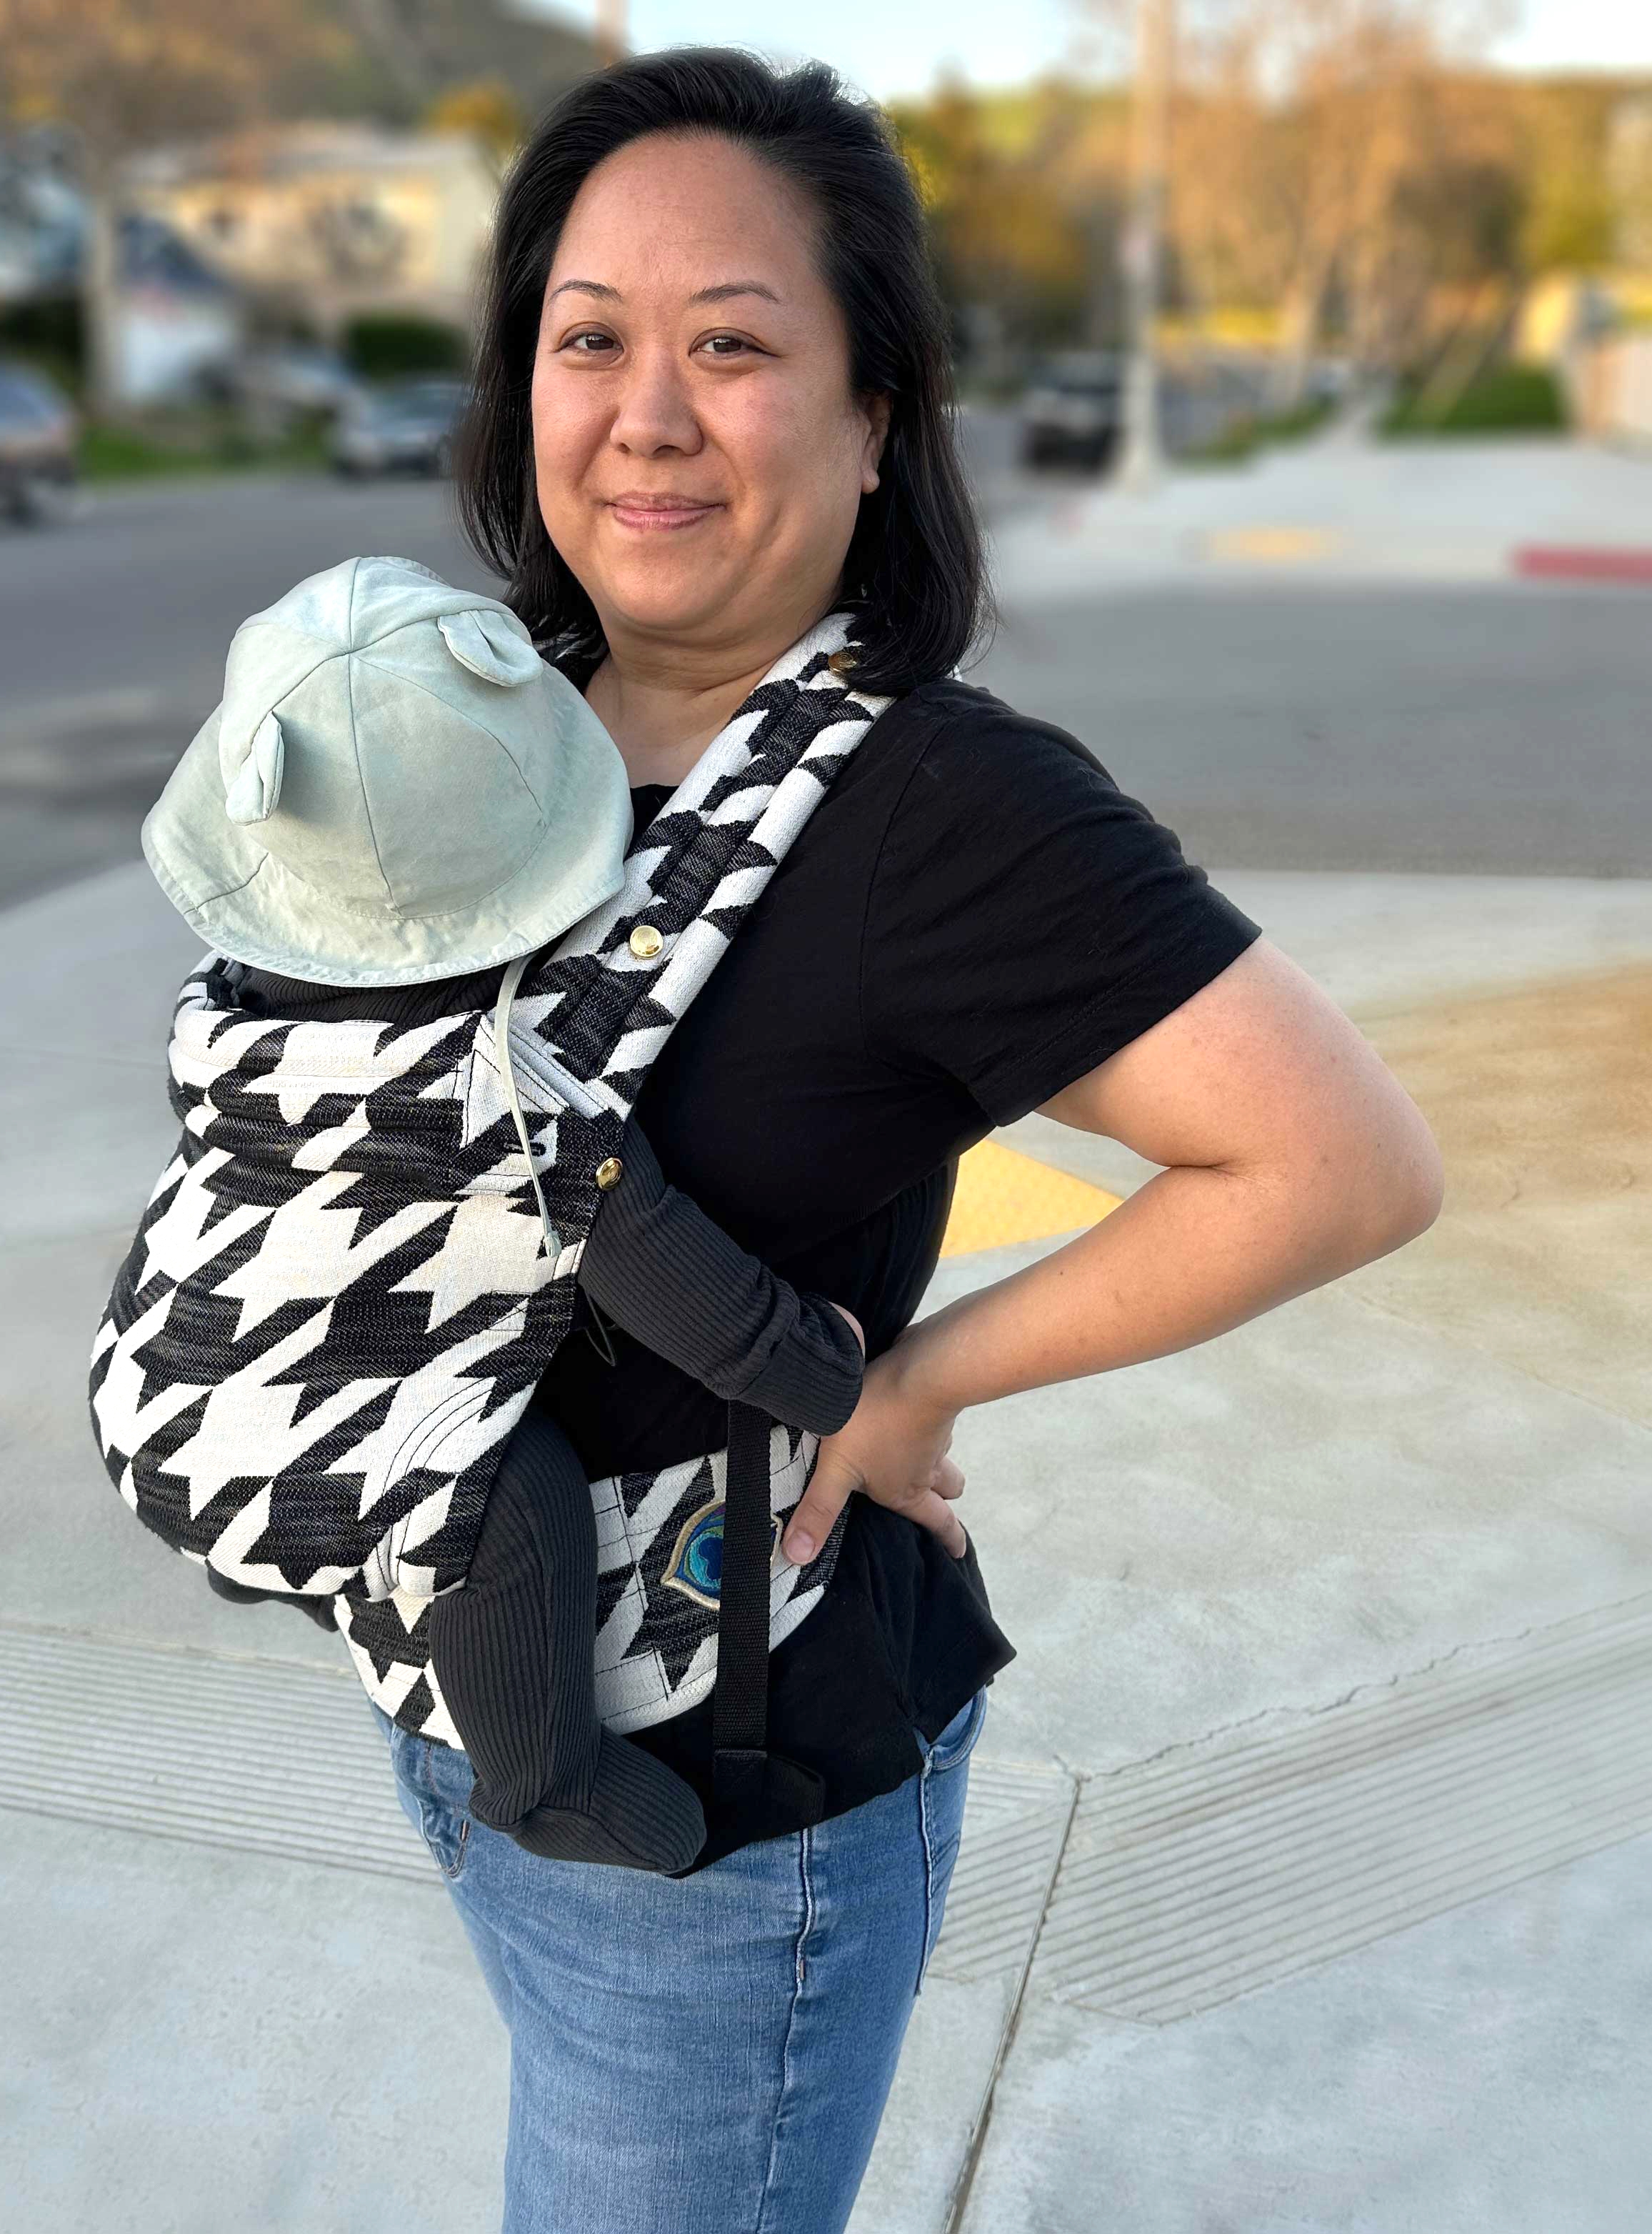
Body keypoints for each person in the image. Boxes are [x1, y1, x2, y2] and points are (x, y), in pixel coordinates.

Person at [367, 45, 1445, 2234]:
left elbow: (1340, 1163)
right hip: (464, 1676)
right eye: (589, 340)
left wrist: (917, 1378)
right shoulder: (487, 734)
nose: (646, 411)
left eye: (735, 346)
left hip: (721, 1804)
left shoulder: (937, 808)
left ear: (876, 422)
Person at [126, 557, 869, 1877]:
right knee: (494, 1505)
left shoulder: (232, 1003)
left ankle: (327, 1540)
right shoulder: (509, 1100)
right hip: (312, 1432)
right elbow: (671, 1281)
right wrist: (818, 1369)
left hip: (165, 1375)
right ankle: (546, 1777)